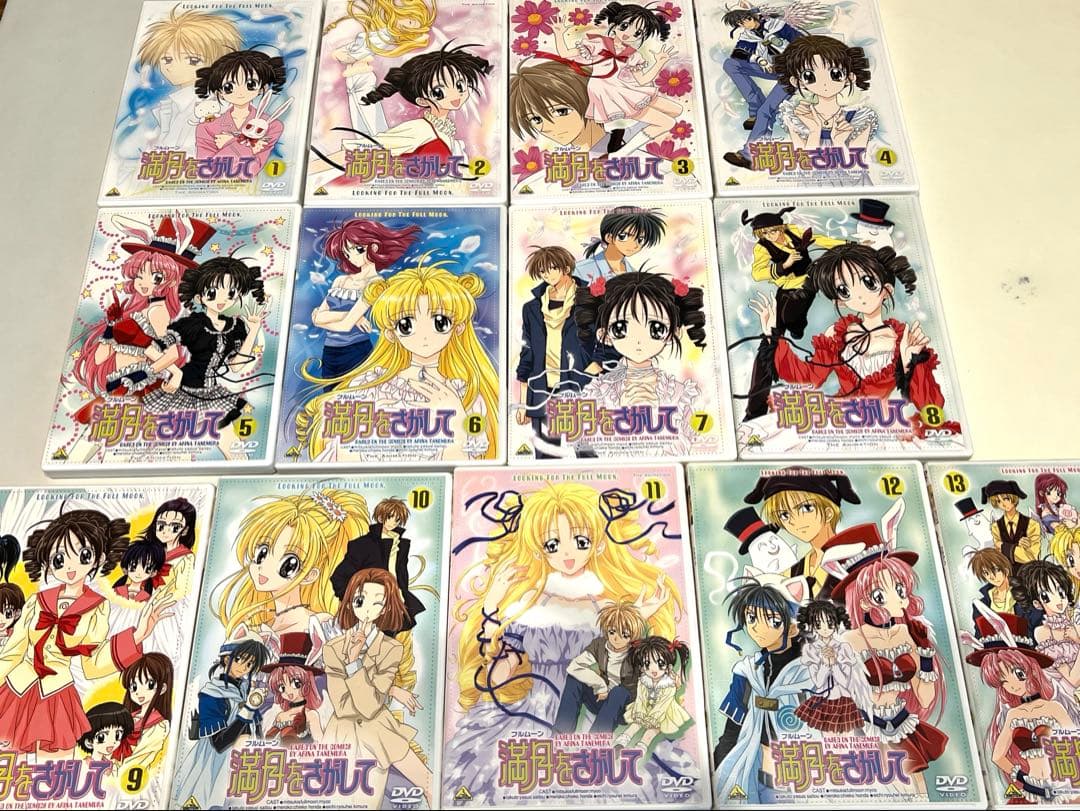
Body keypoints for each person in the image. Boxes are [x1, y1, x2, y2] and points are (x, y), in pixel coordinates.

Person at [298, 262, 500, 462]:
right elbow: (341, 457)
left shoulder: (465, 394)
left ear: (458, 327)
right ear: (390, 333)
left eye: (440, 322)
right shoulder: (369, 385)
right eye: (406, 325)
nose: (424, 336)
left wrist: (454, 415)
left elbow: (472, 466)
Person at [324, 569, 433, 807]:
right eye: (360, 600)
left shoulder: (392, 649)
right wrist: (382, 690)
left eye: (377, 603)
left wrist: (354, 664)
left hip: (379, 733)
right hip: (342, 735)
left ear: (384, 609)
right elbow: (342, 706)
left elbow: (371, 706)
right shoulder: (333, 648)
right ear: (350, 602)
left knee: (425, 785)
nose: (367, 609)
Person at [739, 206, 846, 420]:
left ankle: (797, 324)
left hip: (807, 284)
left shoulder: (794, 232)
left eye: (774, 230)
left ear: (781, 227)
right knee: (768, 346)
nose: (772, 236)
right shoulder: (762, 248)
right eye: (765, 233)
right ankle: (755, 411)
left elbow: (819, 239)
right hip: (786, 289)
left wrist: (848, 245)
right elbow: (757, 273)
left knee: (790, 317)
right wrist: (784, 264)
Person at [713, 573, 810, 804]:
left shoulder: (811, 674)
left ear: (793, 628)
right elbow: (732, 732)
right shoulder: (748, 672)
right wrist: (718, 770)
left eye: (772, 620)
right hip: (754, 775)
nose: (757, 628)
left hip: (804, 780)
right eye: (751, 618)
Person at [309, 219, 421, 386]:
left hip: (356, 351)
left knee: (354, 395)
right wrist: (355, 317)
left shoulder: (376, 284)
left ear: (374, 247)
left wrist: (335, 318)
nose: (352, 257)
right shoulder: (340, 280)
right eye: (347, 253)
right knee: (330, 395)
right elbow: (317, 319)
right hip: (329, 352)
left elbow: (344, 326)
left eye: (357, 250)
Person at [516, 246, 595, 458]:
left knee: (588, 454)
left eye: (552, 268)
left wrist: (594, 368)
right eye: (542, 271)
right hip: (543, 391)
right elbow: (527, 354)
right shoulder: (532, 309)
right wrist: (523, 403)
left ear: (566, 268)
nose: (547, 275)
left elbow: (603, 341)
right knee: (545, 458)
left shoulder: (589, 301)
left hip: (580, 390)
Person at [173, 639, 269, 808]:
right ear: (226, 659)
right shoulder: (212, 694)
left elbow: (256, 729)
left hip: (245, 765)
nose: (245, 667)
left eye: (250, 663)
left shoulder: (245, 690)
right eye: (240, 659)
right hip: (215, 768)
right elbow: (219, 743)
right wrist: (248, 709)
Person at [744, 469, 861, 598]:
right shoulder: (791, 573)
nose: (794, 521)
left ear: (828, 513)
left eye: (806, 508)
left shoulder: (857, 558)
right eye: (784, 515)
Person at [719, 7, 803, 169]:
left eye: (744, 21)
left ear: (752, 17)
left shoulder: (776, 25)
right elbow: (738, 53)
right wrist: (758, 59)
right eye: (739, 24)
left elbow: (802, 43)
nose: (743, 25)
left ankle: (750, 156)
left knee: (766, 111)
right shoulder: (748, 35)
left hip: (793, 72)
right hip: (771, 68)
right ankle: (755, 105)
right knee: (731, 64)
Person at [509, 59, 627, 168]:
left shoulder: (629, 143)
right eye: (536, 119)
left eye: (561, 111)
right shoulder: (562, 163)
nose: (547, 127)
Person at [554, 599, 648, 733]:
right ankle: (560, 734)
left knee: (619, 692)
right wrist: (599, 684)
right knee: (574, 679)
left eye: (624, 635)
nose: (616, 638)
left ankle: (597, 740)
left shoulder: (638, 652)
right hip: (601, 698)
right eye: (612, 632)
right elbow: (574, 667)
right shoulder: (600, 645)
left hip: (623, 709)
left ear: (632, 635)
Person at [574, 206, 665, 283]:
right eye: (623, 236)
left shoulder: (634, 275)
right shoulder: (580, 270)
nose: (634, 245)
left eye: (640, 239)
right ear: (609, 237)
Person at [982, 480, 1041, 565]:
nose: (1003, 504)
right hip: (1006, 571)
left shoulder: (1032, 524)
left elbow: (1032, 557)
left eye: (1006, 499)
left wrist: (1003, 546)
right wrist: (1019, 549)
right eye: (998, 501)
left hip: (1028, 571)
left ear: (1013, 498)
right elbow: (999, 557)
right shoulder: (996, 527)